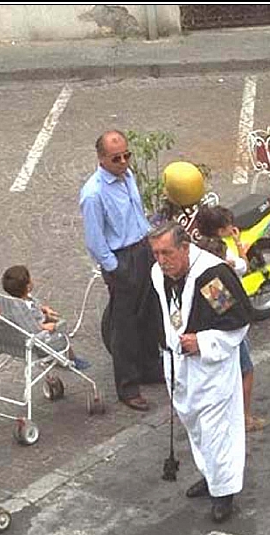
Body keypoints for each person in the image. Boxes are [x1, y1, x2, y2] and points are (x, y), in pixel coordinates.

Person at [149, 223, 251, 523]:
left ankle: (225, 493)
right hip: (179, 366)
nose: (161, 260)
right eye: (155, 253)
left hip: (210, 370)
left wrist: (203, 342)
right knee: (194, 425)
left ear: (185, 247)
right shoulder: (160, 274)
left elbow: (237, 322)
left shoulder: (211, 277)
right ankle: (211, 476)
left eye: (167, 252)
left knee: (217, 431)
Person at [81, 130, 163, 411]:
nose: (124, 162)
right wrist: (116, 268)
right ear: (102, 159)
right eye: (117, 158)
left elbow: (135, 214)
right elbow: (94, 240)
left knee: (151, 313)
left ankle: (151, 368)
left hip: (143, 249)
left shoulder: (126, 177)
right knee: (124, 324)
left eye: (127, 155)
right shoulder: (93, 194)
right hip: (122, 258)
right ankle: (127, 387)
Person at [194, 205, 267, 432]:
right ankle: (244, 417)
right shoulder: (222, 255)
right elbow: (244, 268)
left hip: (204, 321)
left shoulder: (196, 249)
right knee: (245, 369)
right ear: (220, 229)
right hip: (226, 320)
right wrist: (237, 244)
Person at [0, 264, 91, 370]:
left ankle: (68, 357)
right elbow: (30, 326)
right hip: (38, 338)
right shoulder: (23, 309)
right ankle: (71, 359)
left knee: (53, 319)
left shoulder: (14, 303)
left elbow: (33, 308)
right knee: (60, 329)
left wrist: (43, 309)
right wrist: (44, 326)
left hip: (30, 326)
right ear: (28, 286)